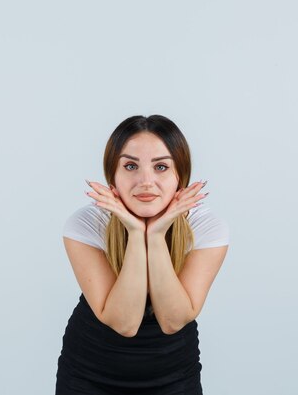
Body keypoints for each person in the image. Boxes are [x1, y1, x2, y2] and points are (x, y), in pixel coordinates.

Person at [55, 115, 230, 395]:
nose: (146, 181)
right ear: (112, 175)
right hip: (89, 374)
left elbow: (173, 321)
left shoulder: (206, 227)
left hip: (174, 375)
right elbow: (124, 324)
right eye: (130, 166)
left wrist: (156, 235)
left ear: (180, 176)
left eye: (161, 166)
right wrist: (137, 235)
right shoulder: (86, 224)